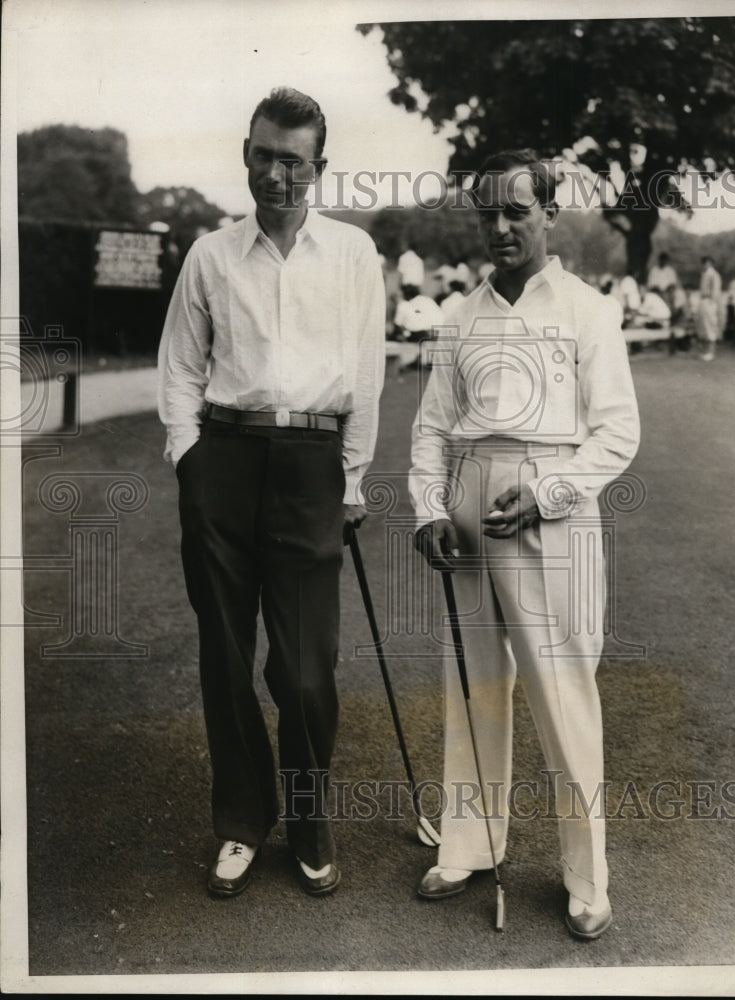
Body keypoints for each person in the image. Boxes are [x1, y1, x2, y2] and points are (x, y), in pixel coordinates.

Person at [158, 87, 386, 900]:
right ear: (245, 154)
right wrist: (190, 462)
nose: (276, 172)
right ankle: (240, 822)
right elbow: (182, 368)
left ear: (317, 168)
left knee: (303, 671)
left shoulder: (355, 255)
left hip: (312, 467)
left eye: (293, 159)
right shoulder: (211, 254)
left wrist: (352, 476)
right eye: (264, 154)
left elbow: (365, 371)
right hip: (222, 459)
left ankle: (308, 818)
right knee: (224, 658)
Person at [409, 148, 640, 940]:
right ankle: (470, 842)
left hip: (548, 510)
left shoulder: (587, 308)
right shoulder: (457, 316)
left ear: (550, 213)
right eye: (489, 214)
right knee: (473, 687)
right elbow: (433, 428)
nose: (501, 227)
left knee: (564, 692)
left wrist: (547, 494)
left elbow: (617, 434)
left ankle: (586, 878)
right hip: (470, 503)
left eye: (517, 211)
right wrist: (429, 509)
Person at [392, 283, 444, 375]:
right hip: (440, 331)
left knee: (404, 333)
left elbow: (399, 324)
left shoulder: (407, 304)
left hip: (426, 333)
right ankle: (425, 358)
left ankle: (417, 358)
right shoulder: (427, 300)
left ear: (406, 294)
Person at [696, 256, 722, 361]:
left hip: (709, 301)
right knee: (703, 326)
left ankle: (711, 352)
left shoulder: (713, 274)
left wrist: (712, 301)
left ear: (711, 263)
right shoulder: (704, 274)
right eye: (704, 263)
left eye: (707, 263)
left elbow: (715, 290)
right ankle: (705, 351)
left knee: (710, 325)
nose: (705, 265)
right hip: (703, 300)